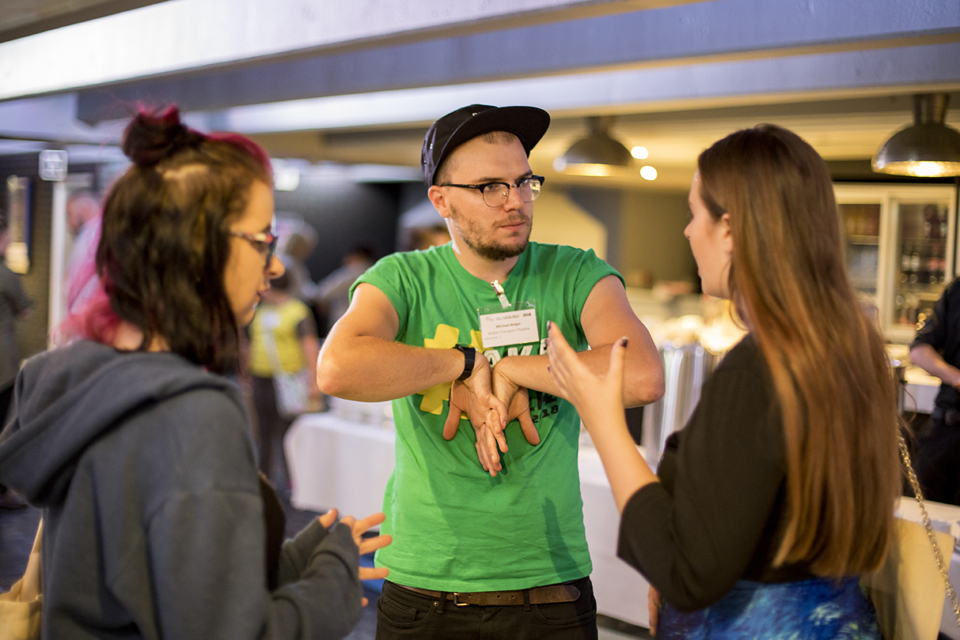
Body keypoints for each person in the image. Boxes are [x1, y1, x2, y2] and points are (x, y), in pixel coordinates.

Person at [0, 106, 390, 639]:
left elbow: (149, 588)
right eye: (260, 242)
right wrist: (336, 573)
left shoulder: (74, 377)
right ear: (196, 246)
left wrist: (294, 562)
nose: (274, 266)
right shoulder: (192, 413)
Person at [317, 104, 664, 640]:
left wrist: (517, 369)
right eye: (490, 187)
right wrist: (468, 363)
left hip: (549, 589)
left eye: (524, 182)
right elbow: (338, 368)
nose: (516, 202)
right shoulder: (404, 278)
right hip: (424, 588)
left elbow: (641, 375)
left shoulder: (574, 271)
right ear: (441, 200)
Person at [545, 124, 900, 639]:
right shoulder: (848, 347)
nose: (688, 231)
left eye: (695, 214)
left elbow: (688, 573)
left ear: (730, 230)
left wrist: (602, 418)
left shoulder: (759, 368)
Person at [248, 261, 321, 497]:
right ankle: (264, 481)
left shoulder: (297, 311)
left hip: (289, 381)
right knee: (265, 433)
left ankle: (293, 484)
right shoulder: (262, 310)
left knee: (288, 434)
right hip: (261, 378)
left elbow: (310, 346)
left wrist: (314, 381)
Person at [908, 278, 960, 505]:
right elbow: (919, 350)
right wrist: (956, 377)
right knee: (918, 508)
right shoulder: (957, 290)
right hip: (949, 425)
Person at [0, 211, 32, 509]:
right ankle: (2, 491)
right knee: (3, 426)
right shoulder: (6, 273)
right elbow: (25, 309)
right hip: (2, 364)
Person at [314, 245, 375, 333]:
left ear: (357, 256)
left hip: (345, 324)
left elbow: (323, 292)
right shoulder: (376, 273)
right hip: (371, 324)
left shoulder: (352, 271)